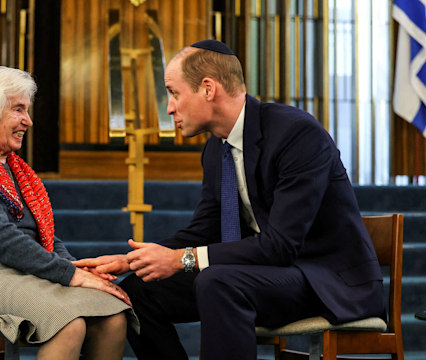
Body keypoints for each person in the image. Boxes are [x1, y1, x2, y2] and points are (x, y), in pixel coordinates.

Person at [74, 40, 385, 360]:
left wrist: (182, 259)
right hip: (263, 275)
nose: (169, 107)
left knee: (218, 281)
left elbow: (281, 246)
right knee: (138, 291)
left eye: (174, 92)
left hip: (324, 279)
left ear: (208, 88)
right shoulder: (215, 150)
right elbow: (203, 231)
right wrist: (132, 261)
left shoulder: (296, 133)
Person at [0, 66, 136, 360]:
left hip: (9, 271)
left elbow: (42, 235)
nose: (28, 121)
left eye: (27, 110)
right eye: (18, 109)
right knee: (66, 323)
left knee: (111, 316)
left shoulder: (15, 170)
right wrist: (69, 275)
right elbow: (1, 239)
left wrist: (76, 267)